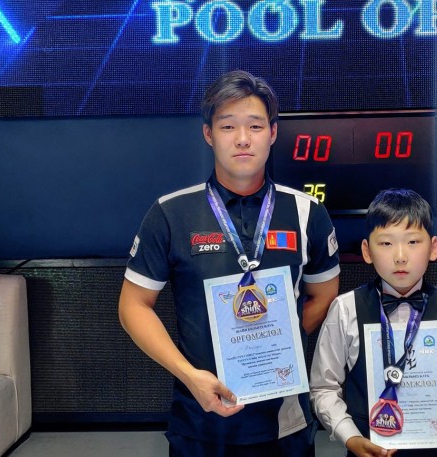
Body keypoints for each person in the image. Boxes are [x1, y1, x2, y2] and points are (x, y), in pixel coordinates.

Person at [118, 70, 340, 456]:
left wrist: (274, 341)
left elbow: (324, 294)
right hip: (199, 420)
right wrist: (190, 375)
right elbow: (133, 305)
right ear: (208, 134)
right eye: (227, 126)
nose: (242, 138)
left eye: (255, 126)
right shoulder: (171, 213)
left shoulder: (308, 213)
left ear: (272, 132)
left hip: (283, 422)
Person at [310, 188, 437, 457]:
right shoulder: (346, 309)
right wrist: (351, 438)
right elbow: (323, 387)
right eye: (386, 243)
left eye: (413, 242)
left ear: (433, 248)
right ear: (366, 251)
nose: (400, 256)